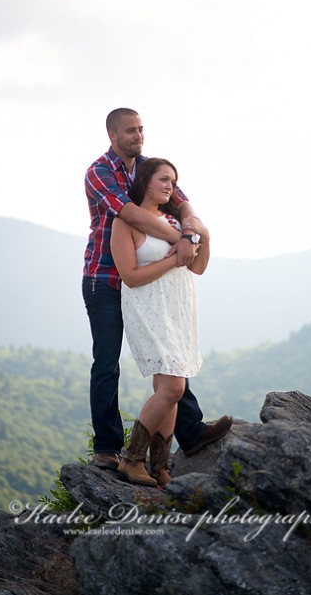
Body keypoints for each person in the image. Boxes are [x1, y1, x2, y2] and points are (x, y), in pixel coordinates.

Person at [82, 108, 232, 471]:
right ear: (113, 135)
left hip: (150, 286)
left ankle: (189, 434)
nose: (138, 136)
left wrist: (194, 229)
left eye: (141, 129)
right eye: (130, 131)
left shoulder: (150, 168)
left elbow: (183, 204)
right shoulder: (100, 172)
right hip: (106, 278)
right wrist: (182, 236)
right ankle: (108, 448)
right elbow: (130, 214)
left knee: (169, 358)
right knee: (107, 362)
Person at [110, 158, 210, 486]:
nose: (170, 186)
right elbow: (131, 277)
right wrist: (170, 261)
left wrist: (202, 238)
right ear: (144, 182)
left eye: (173, 180)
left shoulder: (174, 222)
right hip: (148, 310)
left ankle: (160, 468)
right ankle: (132, 459)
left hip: (177, 311)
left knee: (168, 391)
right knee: (173, 387)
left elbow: (196, 268)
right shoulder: (125, 223)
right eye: (163, 179)